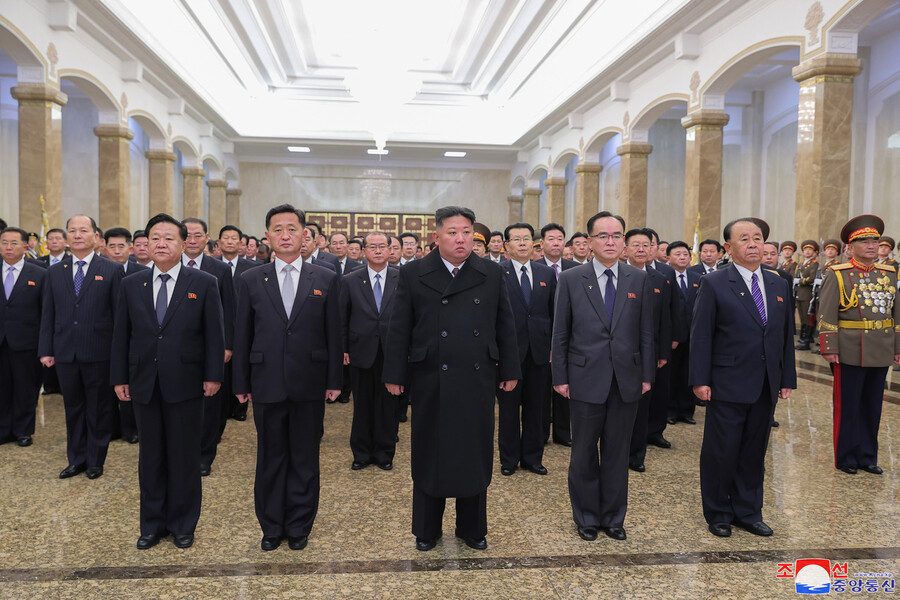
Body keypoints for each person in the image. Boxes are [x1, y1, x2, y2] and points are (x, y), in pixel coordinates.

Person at [383, 206, 519, 552]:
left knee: (474, 451)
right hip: (431, 376)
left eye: (466, 232)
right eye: (452, 232)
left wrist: (510, 369)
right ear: (437, 236)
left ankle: (471, 528)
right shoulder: (414, 273)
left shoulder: (490, 271)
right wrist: (395, 373)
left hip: (478, 377)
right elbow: (399, 328)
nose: (461, 239)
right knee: (431, 451)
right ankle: (427, 529)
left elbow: (505, 324)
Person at [110, 213, 225, 550]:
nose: (161, 243)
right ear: (144, 244)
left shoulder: (203, 283)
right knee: (151, 457)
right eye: (155, 238)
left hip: (187, 383)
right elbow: (121, 335)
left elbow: (214, 335)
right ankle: (152, 524)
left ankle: (183, 524)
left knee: (184, 456)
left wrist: (213, 375)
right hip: (144, 382)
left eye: (169, 238)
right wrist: (119, 377)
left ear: (184, 242)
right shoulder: (132, 284)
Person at [232, 204, 342, 552]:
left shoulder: (325, 277)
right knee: (270, 456)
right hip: (266, 382)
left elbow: (334, 334)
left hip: (309, 381)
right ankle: (271, 526)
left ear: (304, 235)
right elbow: (241, 335)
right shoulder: (250, 279)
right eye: (277, 229)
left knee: (305, 457)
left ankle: (298, 526)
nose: (285, 235)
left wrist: (334, 379)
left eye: (292, 229)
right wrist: (240, 383)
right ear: (267, 236)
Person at [690, 218, 796, 538]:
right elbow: (701, 335)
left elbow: (784, 336)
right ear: (729, 247)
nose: (753, 244)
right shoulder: (715, 283)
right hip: (727, 380)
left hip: (765, 382)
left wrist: (786, 377)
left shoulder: (778, 283)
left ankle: (748, 511)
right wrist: (700, 379)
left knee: (754, 451)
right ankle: (719, 512)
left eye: (758, 238)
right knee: (722, 451)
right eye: (745, 239)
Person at [552, 211, 653, 542]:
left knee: (617, 452)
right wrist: (560, 376)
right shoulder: (571, 278)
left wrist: (647, 374)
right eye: (603, 236)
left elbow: (646, 333)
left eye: (616, 235)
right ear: (589, 241)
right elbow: (560, 333)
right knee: (582, 452)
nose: (610, 242)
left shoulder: (637, 278)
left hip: (626, 379)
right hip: (583, 378)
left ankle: (613, 517)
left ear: (623, 241)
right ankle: (586, 516)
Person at [40, 216, 124, 478]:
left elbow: (119, 316)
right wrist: (46, 349)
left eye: (83, 230)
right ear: (66, 237)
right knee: (72, 407)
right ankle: (76, 458)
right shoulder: (55, 271)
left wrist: (117, 354)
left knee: (98, 408)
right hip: (65, 351)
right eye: (72, 231)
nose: (77, 235)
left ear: (96, 237)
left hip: (99, 351)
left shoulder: (111, 270)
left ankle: (96, 460)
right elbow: (48, 313)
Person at [817, 215, 900, 475]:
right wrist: (829, 347)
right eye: (864, 241)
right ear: (850, 248)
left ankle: (867, 456)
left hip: (880, 348)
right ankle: (846, 457)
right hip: (850, 349)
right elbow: (827, 312)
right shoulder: (839, 274)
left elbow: (896, 314)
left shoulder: (888, 274)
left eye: (875, 240)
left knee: (873, 406)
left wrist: (897, 347)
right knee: (848, 405)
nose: (871, 245)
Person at [497, 223, 555, 476]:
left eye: (526, 239)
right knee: (509, 409)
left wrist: (553, 346)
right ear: (506, 246)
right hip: (508, 352)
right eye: (516, 239)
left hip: (539, 351)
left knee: (536, 407)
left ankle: (533, 458)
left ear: (534, 244)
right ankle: (508, 459)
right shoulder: (497, 273)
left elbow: (554, 313)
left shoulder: (546, 274)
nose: (522, 243)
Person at [340, 232, 400, 471]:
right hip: (360, 350)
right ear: (364, 251)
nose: (377, 251)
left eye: (382, 246)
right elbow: (342, 318)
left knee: (388, 405)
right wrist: (343, 348)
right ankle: (361, 453)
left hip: (392, 351)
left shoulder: (401, 278)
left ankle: (384, 453)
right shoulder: (350, 280)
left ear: (389, 250)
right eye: (372, 247)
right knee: (362, 404)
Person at [182, 218, 235, 477]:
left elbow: (229, 311)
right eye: (188, 235)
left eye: (197, 235)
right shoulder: (167, 266)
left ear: (207, 239)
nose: (192, 240)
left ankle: (204, 456)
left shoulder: (221, 270)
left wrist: (227, 346)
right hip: (177, 350)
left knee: (209, 405)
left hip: (210, 347)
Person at [623, 228, 671, 473]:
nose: (642, 249)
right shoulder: (618, 276)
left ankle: (636, 455)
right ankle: (617, 452)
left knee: (643, 406)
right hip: (621, 352)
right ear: (626, 248)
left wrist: (662, 353)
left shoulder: (660, 279)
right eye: (636, 245)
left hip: (648, 354)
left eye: (646, 245)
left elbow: (665, 320)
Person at [0, 227, 47, 446]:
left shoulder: (39, 273)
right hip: (1, 341)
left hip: (27, 342)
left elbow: (45, 312)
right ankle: (3, 429)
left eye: (13, 243)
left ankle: (23, 431)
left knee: (26, 387)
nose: (8, 248)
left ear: (25, 247)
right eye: (4, 243)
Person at [103, 227, 148, 443]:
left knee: (129, 385)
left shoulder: (140, 272)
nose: (117, 251)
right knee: (108, 386)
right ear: (105, 248)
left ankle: (131, 429)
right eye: (112, 246)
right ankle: (112, 427)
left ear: (129, 248)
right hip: (104, 337)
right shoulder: (100, 269)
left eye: (121, 246)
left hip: (132, 338)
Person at [665, 241, 701, 424]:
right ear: (668, 257)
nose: (682, 257)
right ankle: (670, 410)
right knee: (671, 374)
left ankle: (687, 411)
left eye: (685, 254)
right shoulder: (664, 277)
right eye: (677, 254)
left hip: (693, 336)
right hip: (672, 337)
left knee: (689, 373)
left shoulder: (698, 278)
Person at [794, 240, 820, 351]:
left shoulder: (814, 263)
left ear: (814, 252)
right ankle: (803, 338)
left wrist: (800, 281)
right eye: (805, 249)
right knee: (802, 318)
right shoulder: (801, 264)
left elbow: (812, 278)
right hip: (800, 294)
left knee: (808, 317)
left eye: (810, 249)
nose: (807, 251)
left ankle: (806, 340)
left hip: (807, 294)